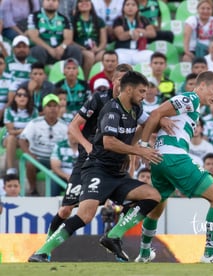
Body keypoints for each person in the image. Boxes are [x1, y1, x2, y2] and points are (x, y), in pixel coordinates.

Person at [28, 71, 163, 263]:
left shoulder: (135, 109)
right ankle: (42, 251)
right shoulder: (112, 109)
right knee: (83, 214)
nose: (144, 96)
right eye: (141, 91)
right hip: (97, 169)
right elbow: (108, 142)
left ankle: (113, 236)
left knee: (153, 196)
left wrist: (164, 118)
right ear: (129, 89)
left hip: (117, 173)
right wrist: (138, 151)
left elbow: (150, 121)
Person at [136, 71, 213, 263]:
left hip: (160, 160)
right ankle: (210, 254)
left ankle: (144, 253)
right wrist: (143, 146)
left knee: (156, 207)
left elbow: (159, 116)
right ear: (201, 85)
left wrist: (150, 139)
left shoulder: (192, 105)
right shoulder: (192, 98)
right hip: (174, 157)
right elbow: (156, 113)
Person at [19, 93, 68, 196]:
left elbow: (67, 144)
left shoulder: (64, 126)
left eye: (55, 106)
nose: (52, 109)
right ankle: (33, 190)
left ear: (59, 108)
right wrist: (29, 154)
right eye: (49, 106)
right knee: (29, 162)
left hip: (56, 160)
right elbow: (22, 140)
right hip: (38, 158)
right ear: (44, 109)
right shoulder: (35, 123)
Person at [27, 0, 82, 66]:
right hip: (43, 49)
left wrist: (62, 47)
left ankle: (74, 74)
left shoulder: (64, 18)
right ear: (43, 2)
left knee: (74, 49)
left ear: (58, 3)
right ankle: (38, 74)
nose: (51, 3)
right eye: (48, 0)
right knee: (38, 50)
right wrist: (50, 50)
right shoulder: (34, 16)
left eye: (54, 1)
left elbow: (68, 38)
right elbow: (34, 37)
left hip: (59, 50)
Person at [3, 87, 38, 171]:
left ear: (28, 98)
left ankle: (31, 167)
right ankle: (10, 170)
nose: (22, 97)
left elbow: (35, 129)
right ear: (15, 98)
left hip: (27, 138)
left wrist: (20, 132)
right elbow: (11, 131)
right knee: (12, 138)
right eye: (19, 95)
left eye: (25, 95)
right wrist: (23, 131)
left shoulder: (34, 111)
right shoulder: (9, 111)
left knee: (25, 140)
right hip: (10, 138)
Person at [112, 0, 155, 66]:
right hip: (122, 51)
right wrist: (131, 33)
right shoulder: (119, 20)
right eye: (127, 5)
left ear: (137, 8)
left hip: (138, 51)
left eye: (133, 5)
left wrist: (141, 32)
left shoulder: (143, 19)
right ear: (123, 8)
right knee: (119, 60)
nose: (130, 7)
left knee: (151, 55)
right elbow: (120, 36)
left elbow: (152, 33)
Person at [72, 0, 108, 79]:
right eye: (81, 2)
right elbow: (70, 40)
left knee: (103, 55)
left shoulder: (99, 20)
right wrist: (83, 48)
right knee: (90, 56)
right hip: (81, 48)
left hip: (96, 49)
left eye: (87, 1)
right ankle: (85, 81)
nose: (84, 3)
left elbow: (104, 41)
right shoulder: (73, 20)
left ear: (91, 4)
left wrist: (97, 49)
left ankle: (97, 80)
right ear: (77, 5)